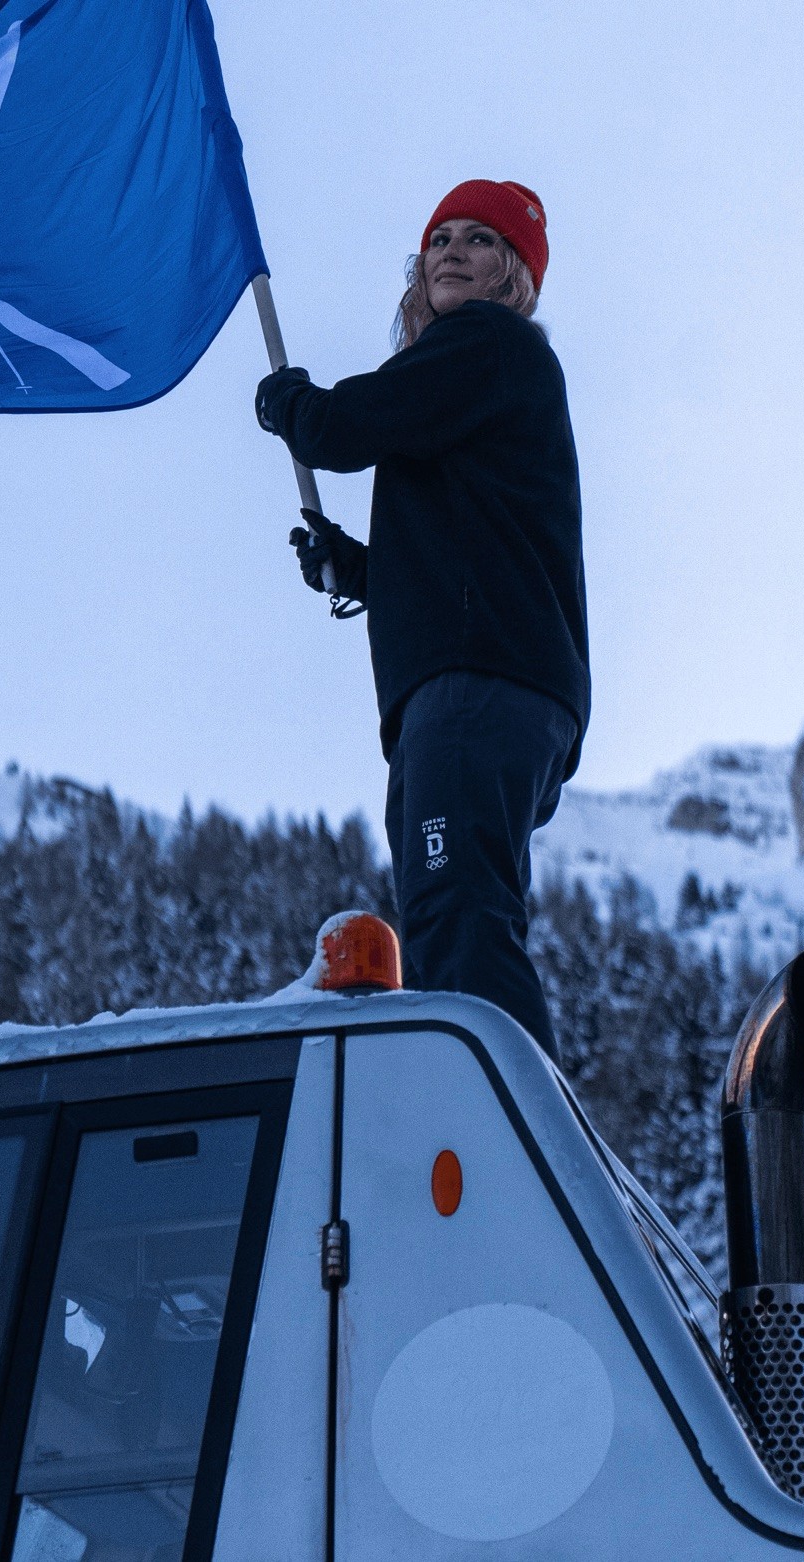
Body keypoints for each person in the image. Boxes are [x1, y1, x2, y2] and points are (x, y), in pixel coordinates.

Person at [254, 179, 588, 1051]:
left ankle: (512, 1152)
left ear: (513, 275)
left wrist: (287, 403)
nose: (451, 251)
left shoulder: (486, 345)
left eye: (480, 240)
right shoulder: (479, 382)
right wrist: (356, 567)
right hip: (494, 688)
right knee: (459, 910)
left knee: (456, 911)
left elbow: (344, 428)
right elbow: (469, 548)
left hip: (475, 689)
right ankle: (507, 1135)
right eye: (440, 238)